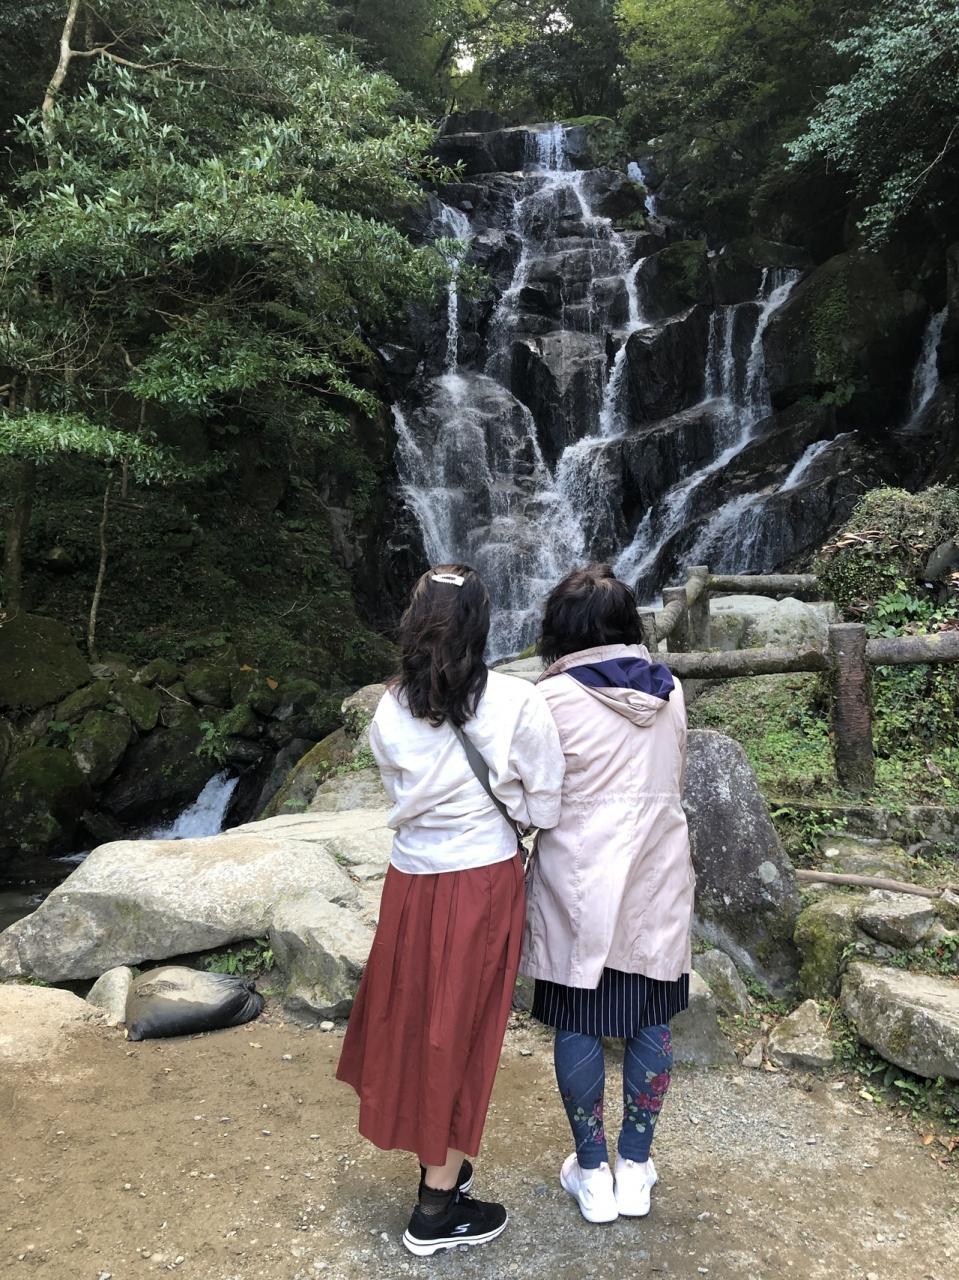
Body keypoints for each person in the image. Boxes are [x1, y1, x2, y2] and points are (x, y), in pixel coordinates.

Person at [336, 563, 565, 1257]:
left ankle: (440, 1165)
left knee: (416, 1020)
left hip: (411, 880)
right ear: (481, 625)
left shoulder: (388, 707)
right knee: (462, 1029)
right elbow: (546, 799)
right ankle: (435, 1209)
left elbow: (397, 788)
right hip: (481, 883)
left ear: (413, 623)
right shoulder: (517, 700)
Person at [521, 564, 695, 1224]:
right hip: (656, 879)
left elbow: (535, 801)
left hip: (579, 886)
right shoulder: (670, 691)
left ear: (559, 631)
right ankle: (637, 1169)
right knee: (651, 1018)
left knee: (578, 1020)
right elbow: (673, 778)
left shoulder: (549, 699)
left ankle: (593, 1175)